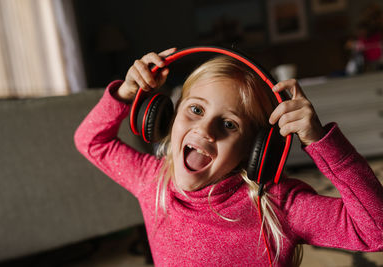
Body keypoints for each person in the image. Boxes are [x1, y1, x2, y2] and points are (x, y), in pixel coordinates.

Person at [74, 48, 383, 266]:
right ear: (170, 116)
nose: (205, 129)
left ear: (253, 148)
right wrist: (125, 94)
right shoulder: (152, 180)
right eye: (195, 109)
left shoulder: (277, 207)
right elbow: (90, 141)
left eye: (229, 124)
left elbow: (376, 232)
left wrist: (321, 142)